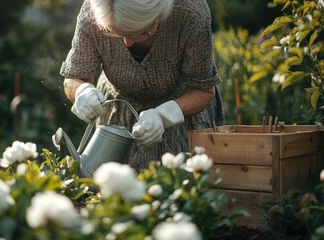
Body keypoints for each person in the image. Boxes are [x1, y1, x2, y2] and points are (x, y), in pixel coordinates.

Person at [60, 0, 224, 172]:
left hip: (182, 111)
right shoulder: (94, 12)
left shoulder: (190, 13)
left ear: (160, 16)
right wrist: (81, 91)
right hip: (118, 113)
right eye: (115, 33)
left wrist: (164, 116)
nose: (127, 43)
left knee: (179, 188)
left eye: (139, 33)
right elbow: (75, 77)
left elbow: (203, 90)